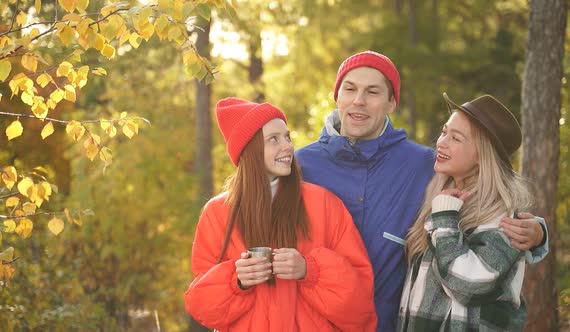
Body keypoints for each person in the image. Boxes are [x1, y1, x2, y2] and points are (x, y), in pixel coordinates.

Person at [295, 51, 548, 331]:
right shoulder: (301, 165)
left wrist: (535, 232)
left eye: (373, 91)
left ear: (391, 102)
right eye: (350, 89)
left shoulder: (426, 164)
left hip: (390, 323)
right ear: (336, 95)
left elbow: (489, 192)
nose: (359, 101)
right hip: (318, 322)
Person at [184, 97, 377, 331]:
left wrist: (310, 270)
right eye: (273, 139)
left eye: (287, 137)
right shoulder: (217, 213)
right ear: (249, 149)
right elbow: (202, 307)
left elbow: (359, 304)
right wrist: (236, 280)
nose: (287, 146)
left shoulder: (324, 203)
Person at [397, 93, 532, 331]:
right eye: (444, 132)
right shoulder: (442, 196)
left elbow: (468, 285)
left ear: (482, 156)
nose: (441, 142)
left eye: (456, 138)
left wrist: (445, 222)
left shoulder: (503, 215)